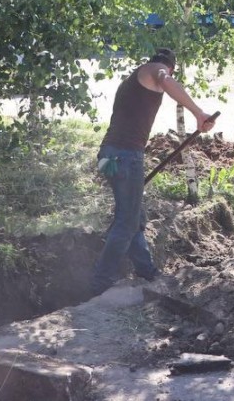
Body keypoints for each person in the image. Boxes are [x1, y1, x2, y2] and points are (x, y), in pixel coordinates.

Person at [90, 48, 216, 295]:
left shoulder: (133, 80)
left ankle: (147, 271)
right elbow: (164, 79)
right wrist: (198, 113)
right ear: (170, 67)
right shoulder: (153, 71)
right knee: (127, 222)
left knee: (134, 216)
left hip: (107, 157)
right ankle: (101, 282)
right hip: (125, 156)